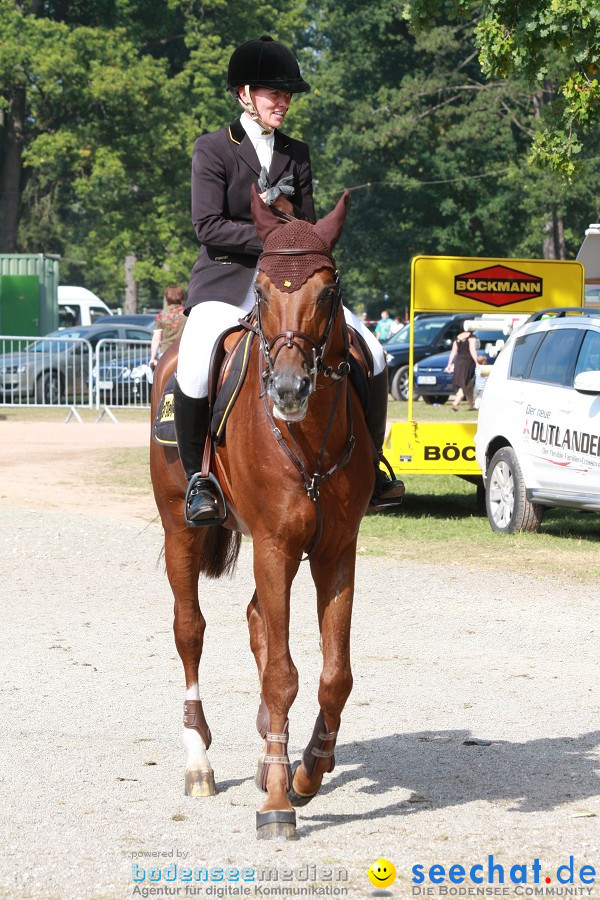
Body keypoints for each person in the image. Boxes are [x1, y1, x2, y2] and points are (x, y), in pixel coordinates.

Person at [174, 34, 404, 524]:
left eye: (287, 93)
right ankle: (199, 480)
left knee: (375, 351)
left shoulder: (296, 153)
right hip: (225, 278)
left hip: (292, 285)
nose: (283, 101)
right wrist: (277, 239)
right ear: (244, 95)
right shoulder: (212, 149)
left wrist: (293, 245)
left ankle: (374, 463)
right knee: (193, 362)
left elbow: (311, 226)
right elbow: (208, 226)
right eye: (272, 92)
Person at [149, 285, 187, 369]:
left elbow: (156, 338)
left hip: (166, 353)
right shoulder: (188, 313)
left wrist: (152, 358)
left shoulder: (162, 315)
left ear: (167, 298)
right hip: (184, 353)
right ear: (182, 297)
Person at [445, 324, 478, 411]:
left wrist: (449, 364)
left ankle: (471, 405)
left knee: (469, 384)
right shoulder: (472, 337)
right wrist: (477, 362)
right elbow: (472, 350)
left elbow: (453, 352)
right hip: (468, 363)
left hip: (459, 363)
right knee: (465, 384)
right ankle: (456, 403)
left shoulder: (458, 337)